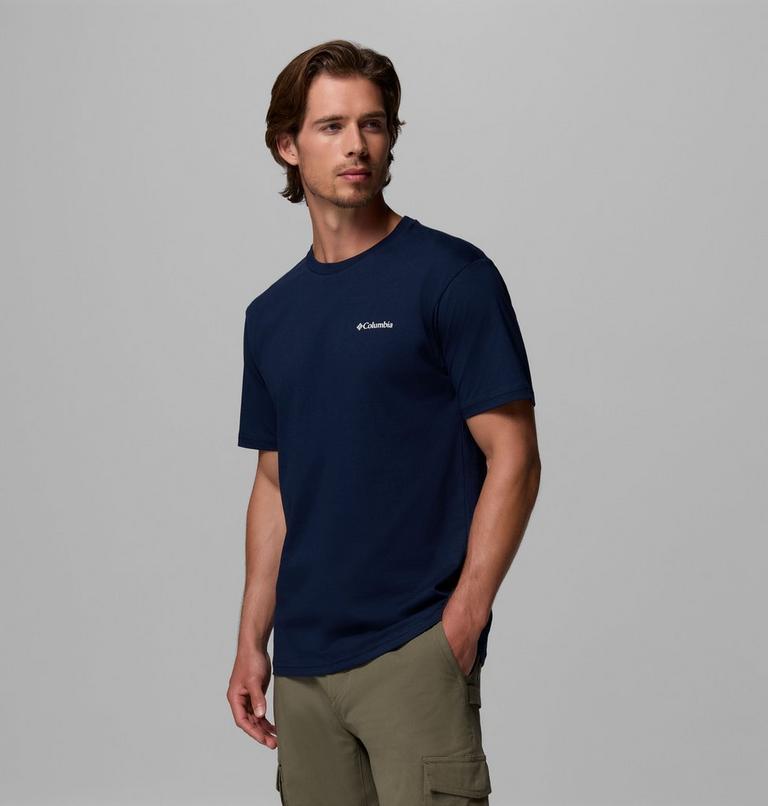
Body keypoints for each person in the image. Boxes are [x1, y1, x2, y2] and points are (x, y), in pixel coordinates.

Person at [226, 39, 541, 806]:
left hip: (414, 648)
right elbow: (274, 484)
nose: (357, 145)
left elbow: (515, 458)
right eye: (331, 126)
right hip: (304, 668)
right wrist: (251, 641)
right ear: (288, 145)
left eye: (373, 124)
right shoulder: (270, 316)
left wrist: (463, 620)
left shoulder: (452, 277)